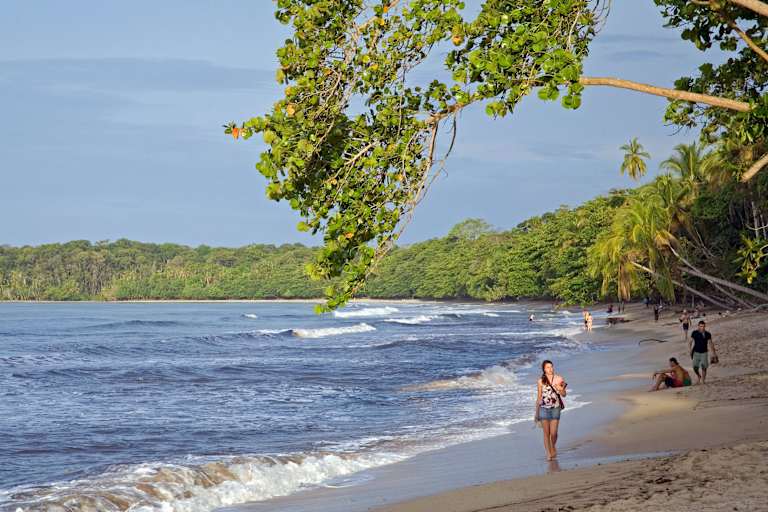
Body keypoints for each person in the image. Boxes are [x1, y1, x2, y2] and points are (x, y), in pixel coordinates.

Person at [534, 360, 567, 460]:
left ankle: (553, 446)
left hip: (555, 409)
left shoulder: (559, 379)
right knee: (546, 433)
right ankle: (548, 453)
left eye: (551, 366)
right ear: (544, 369)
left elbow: (564, 395)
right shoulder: (540, 381)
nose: (550, 369)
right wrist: (536, 413)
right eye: (548, 367)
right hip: (543, 409)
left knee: (553, 433)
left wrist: (560, 389)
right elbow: (539, 397)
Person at [689, 320, 718, 384]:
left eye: (703, 326)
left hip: (704, 353)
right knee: (695, 367)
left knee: (704, 367)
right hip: (696, 352)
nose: (702, 328)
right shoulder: (694, 333)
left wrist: (714, 354)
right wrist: (690, 350)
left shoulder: (708, 334)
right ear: (698, 326)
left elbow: (711, 344)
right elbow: (690, 342)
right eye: (701, 326)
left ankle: (703, 380)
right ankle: (699, 376)